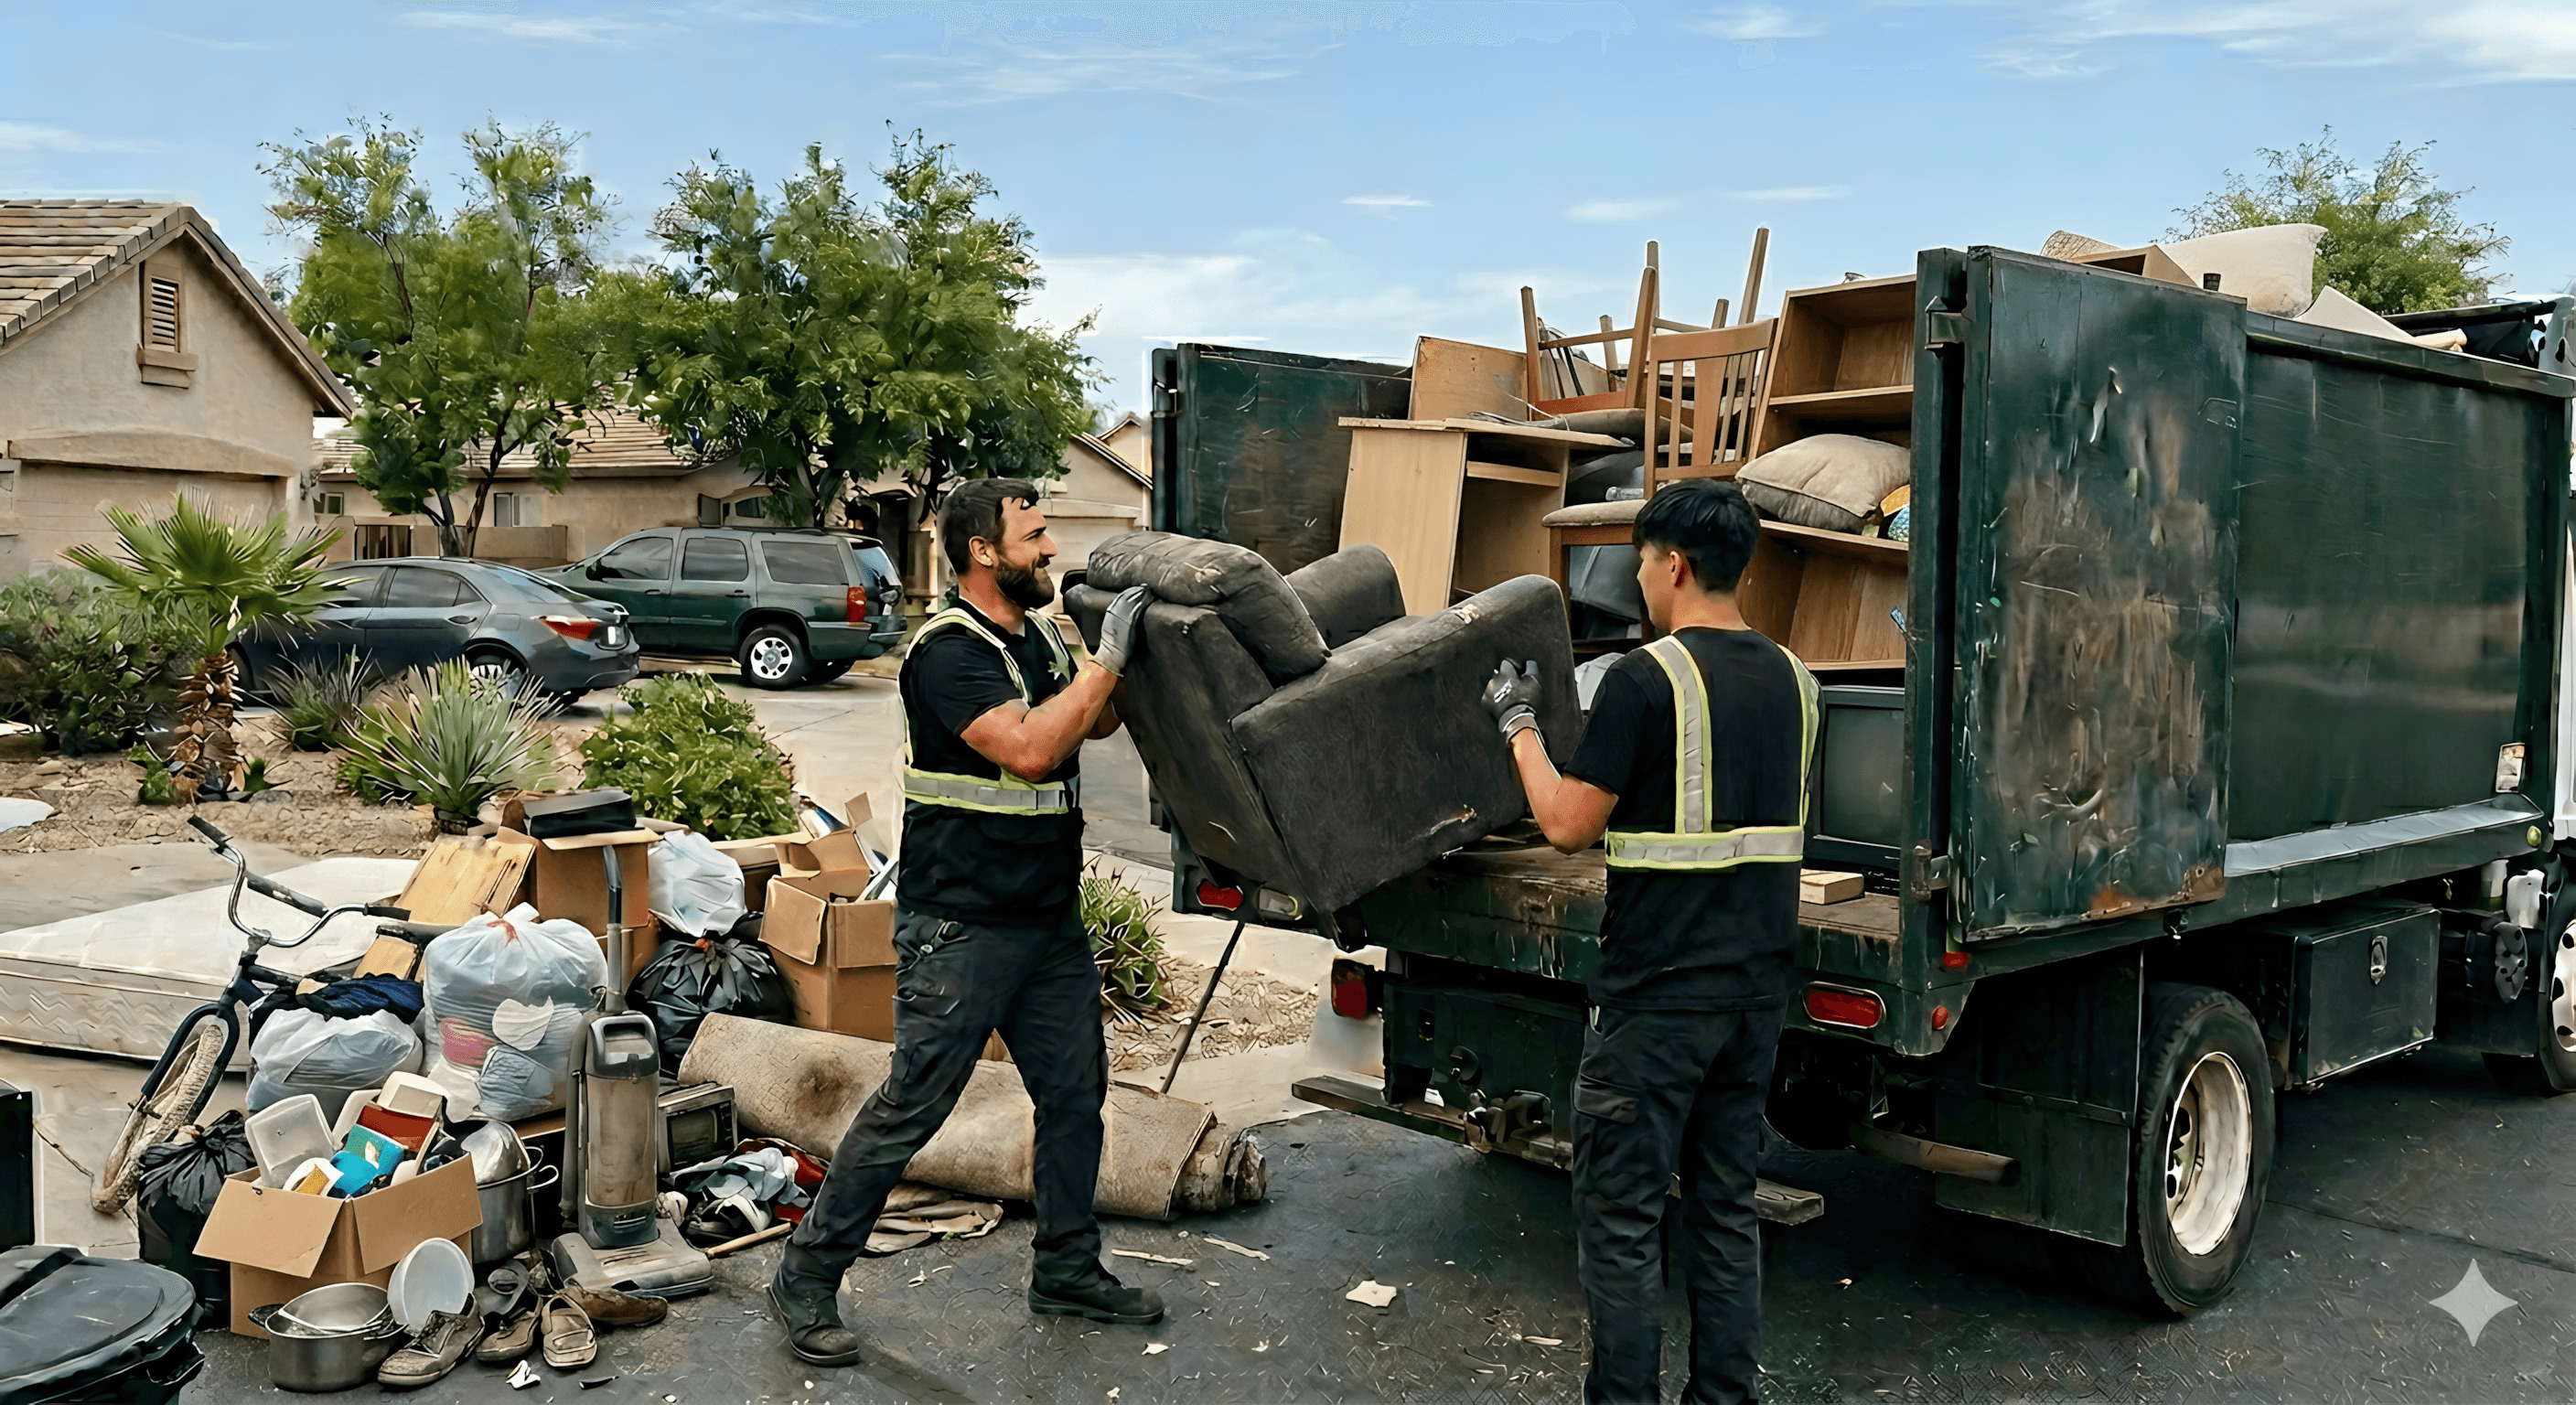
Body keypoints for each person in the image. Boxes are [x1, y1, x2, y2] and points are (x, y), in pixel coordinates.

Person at [769, 478, 1163, 1367]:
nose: (1049, 547)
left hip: (1045, 923)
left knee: (1073, 1098)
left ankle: (1065, 1265)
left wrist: (1125, 666)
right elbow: (1028, 751)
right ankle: (804, 1275)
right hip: (962, 929)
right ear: (983, 550)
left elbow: (1080, 731)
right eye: (1034, 535)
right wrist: (1103, 661)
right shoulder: (946, 652)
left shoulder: (1036, 642)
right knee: (913, 1106)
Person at [1482, 478, 1818, 1405]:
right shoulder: (1796, 681)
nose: (1635, 578)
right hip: (1751, 1001)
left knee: (1623, 1220)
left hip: (1654, 1005)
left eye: (1637, 560)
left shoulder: (1643, 678)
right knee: (1723, 1212)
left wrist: (1516, 724)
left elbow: (1563, 822)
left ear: (1671, 565)